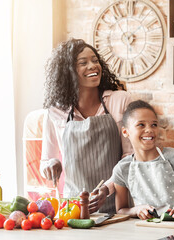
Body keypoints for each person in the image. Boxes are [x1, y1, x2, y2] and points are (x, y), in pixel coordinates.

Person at [40, 38, 133, 213]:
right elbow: (46, 160)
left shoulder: (120, 101)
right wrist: (51, 164)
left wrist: (107, 188)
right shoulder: (56, 112)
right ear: (68, 72)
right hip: (74, 207)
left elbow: (130, 156)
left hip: (119, 206)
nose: (92, 66)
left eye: (95, 60)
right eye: (83, 63)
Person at [111, 100, 174, 221]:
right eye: (141, 125)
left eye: (154, 124)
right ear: (125, 132)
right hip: (144, 230)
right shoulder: (122, 168)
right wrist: (136, 210)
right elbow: (121, 210)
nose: (149, 129)